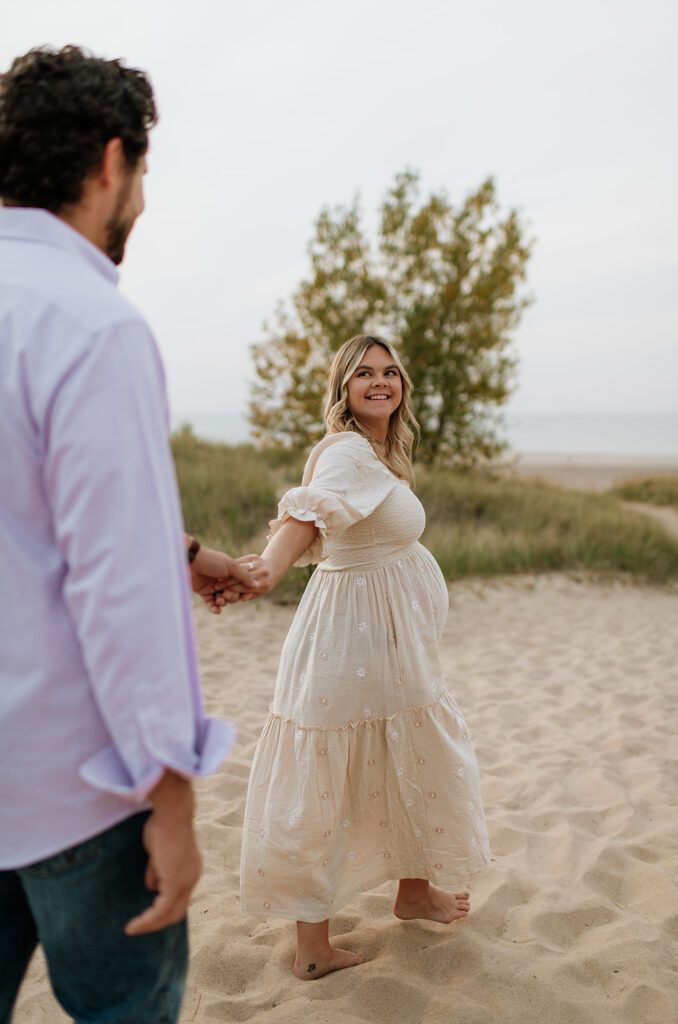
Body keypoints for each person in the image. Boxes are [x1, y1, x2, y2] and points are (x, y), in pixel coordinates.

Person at [0, 45, 266, 1022]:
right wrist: (171, 797)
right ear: (109, 162)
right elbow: (114, 592)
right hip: (70, 788)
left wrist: (184, 555)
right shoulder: (89, 326)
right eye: (143, 173)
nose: (142, 200)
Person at [236, 334, 490, 980]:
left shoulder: (379, 454)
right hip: (349, 641)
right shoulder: (346, 450)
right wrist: (265, 570)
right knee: (328, 777)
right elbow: (307, 520)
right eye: (363, 374)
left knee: (406, 754)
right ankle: (313, 948)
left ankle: (412, 891)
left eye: (390, 372)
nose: (380, 382)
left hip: (387, 645)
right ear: (343, 390)